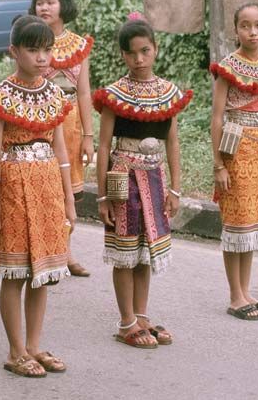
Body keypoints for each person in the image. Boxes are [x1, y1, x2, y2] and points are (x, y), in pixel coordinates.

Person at [0, 15, 75, 377]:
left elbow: (61, 151)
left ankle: (34, 345)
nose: (41, 58)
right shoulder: (2, 94)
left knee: (45, 273)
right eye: (32, 50)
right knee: (15, 272)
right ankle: (15, 351)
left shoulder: (54, 93)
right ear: (14, 51)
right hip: (14, 187)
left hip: (48, 184)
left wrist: (68, 200)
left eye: (47, 50)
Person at [93, 18, 192, 348]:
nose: (139, 59)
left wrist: (175, 189)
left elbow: (173, 142)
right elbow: (104, 146)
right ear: (123, 56)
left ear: (156, 49)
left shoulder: (169, 94)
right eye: (132, 53)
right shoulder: (114, 95)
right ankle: (126, 322)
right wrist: (103, 197)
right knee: (125, 252)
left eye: (145, 51)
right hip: (123, 178)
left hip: (154, 178)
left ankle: (142, 315)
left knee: (145, 252)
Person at [210, 3, 258, 320]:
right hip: (236, 152)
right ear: (236, 30)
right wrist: (218, 165)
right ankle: (234, 295)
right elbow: (215, 119)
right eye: (245, 25)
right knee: (237, 224)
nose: (252, 32)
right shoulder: (227, 67)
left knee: (252, 225)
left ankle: (247, 290)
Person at [30, 0, 94, 277]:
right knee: (43, 188)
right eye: (40, 1)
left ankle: (65, 252)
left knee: (71, 191)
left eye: (50, 1)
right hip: (39, 122)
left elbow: (83, 92)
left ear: (62, 6)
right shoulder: (31, 40)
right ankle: (45, 250)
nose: (44, 6)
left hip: (70, 126)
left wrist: (89, 136)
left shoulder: (80, 45)